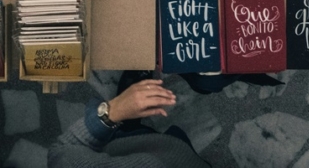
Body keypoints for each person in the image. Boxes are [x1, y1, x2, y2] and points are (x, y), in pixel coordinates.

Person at [48, 73, 211, 167]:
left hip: (124, 148)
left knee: (127, 131)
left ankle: (126, 123)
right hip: (183, 155)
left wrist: (113, 112)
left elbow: (62, 151)